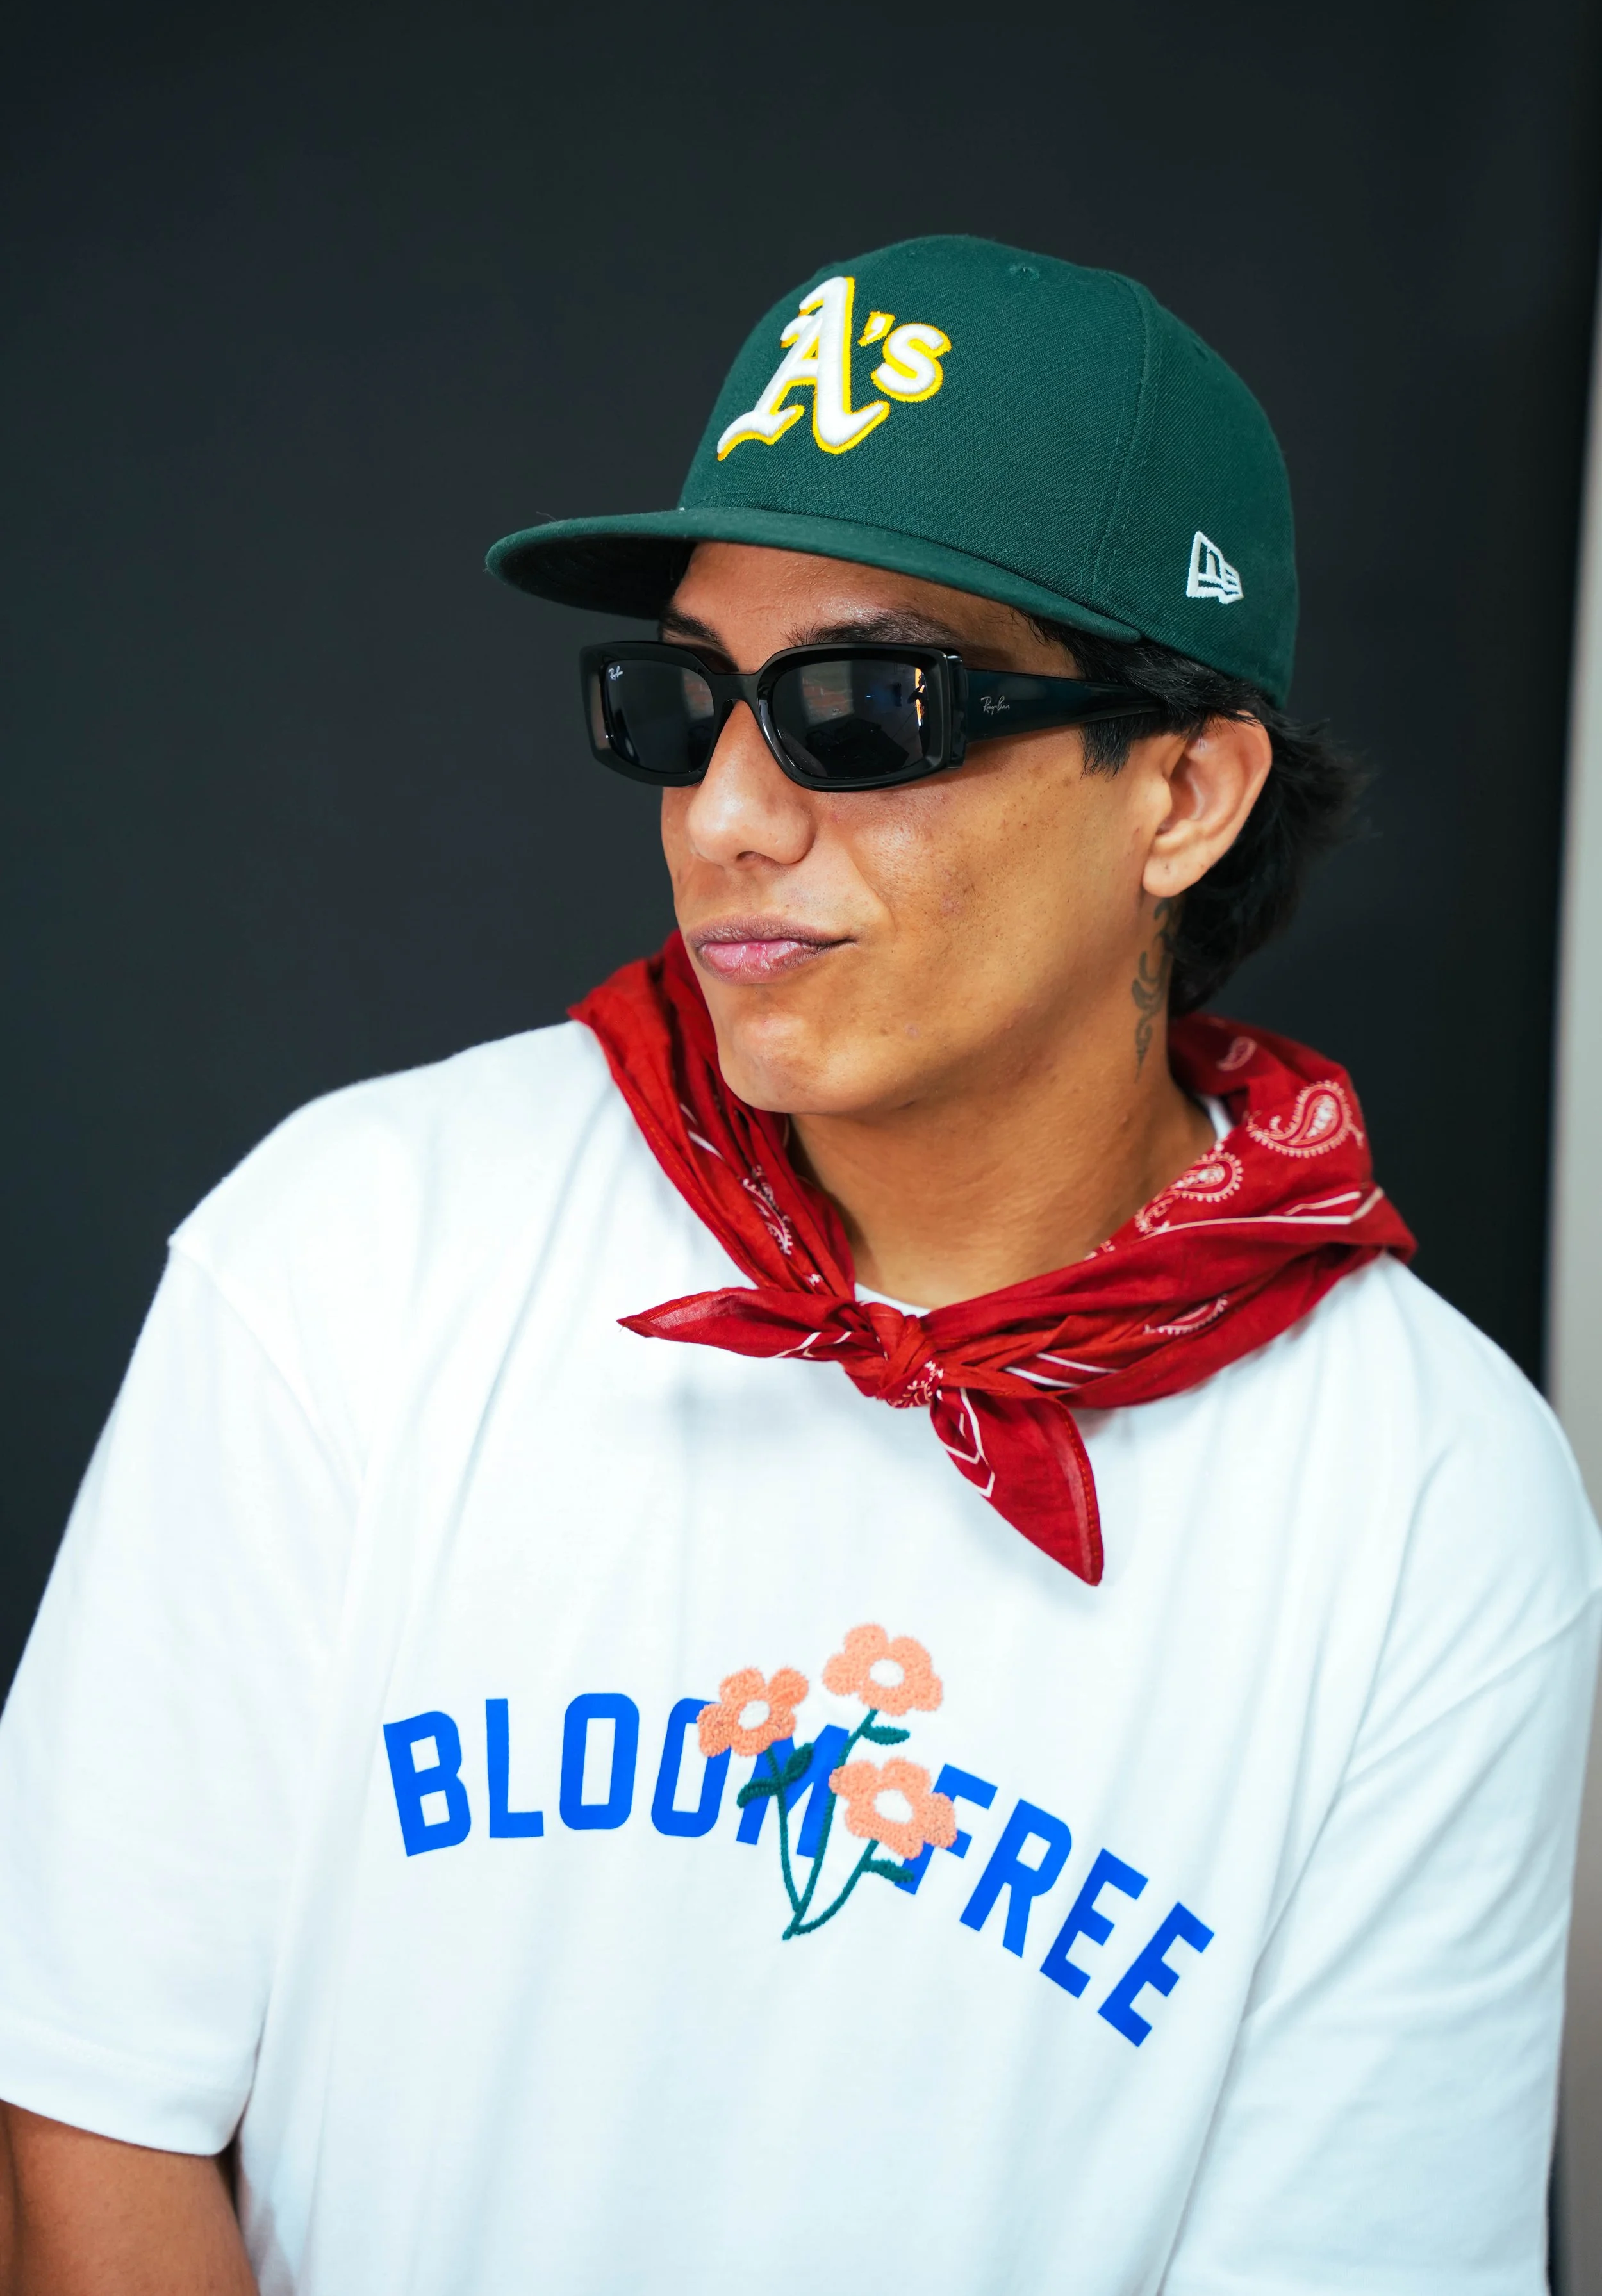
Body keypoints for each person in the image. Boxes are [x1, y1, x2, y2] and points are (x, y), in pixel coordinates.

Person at [0, 234, 1596, 2296]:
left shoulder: (1434, 1503)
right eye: (681, 700)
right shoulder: (351, 1246)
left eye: (864, 706)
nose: (725, 814)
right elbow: (81, 2109)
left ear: (1182, 791)